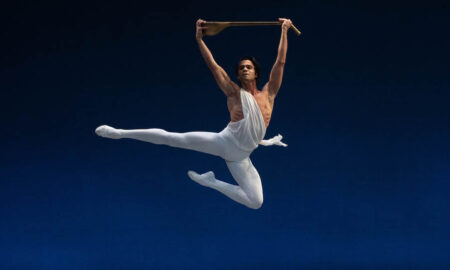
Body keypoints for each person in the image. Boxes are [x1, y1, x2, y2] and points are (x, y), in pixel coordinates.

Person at [95, 18, 292, 209]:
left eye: (248, 67)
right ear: (238, 74)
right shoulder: (233, 92)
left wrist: (284, 30)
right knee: (172, 138)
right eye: (241, 68)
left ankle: (210, 181)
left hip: (241, 158)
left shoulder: (269, 93)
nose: (244, 70)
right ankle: (119, 132)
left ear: (256, 73)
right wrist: (200, 39)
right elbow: (213, 67)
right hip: (225, 143)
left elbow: (280, 62)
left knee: (256, 202)